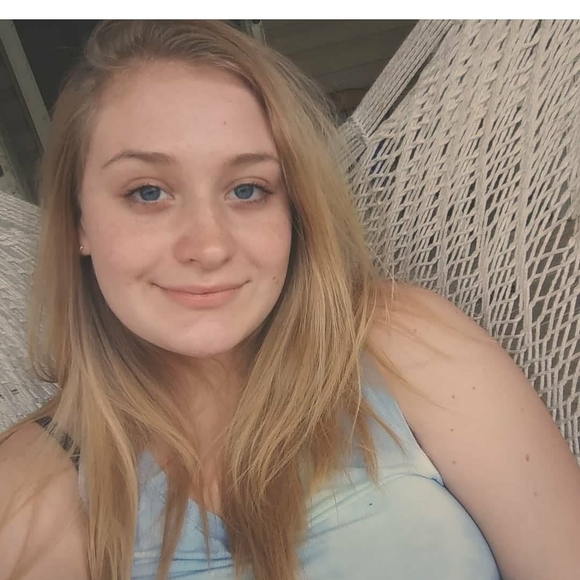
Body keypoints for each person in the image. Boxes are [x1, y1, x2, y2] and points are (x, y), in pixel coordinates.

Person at [0, 20, 579, 580]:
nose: (208, 246)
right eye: (148, 192)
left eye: (247, 189)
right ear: (78, 220)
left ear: (294, 208)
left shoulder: (402, 345)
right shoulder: (30, 488)